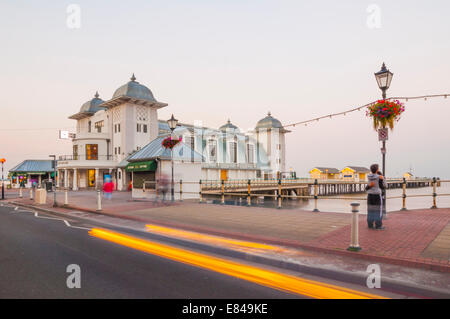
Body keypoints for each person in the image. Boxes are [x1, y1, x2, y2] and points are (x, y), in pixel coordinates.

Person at [366, 164, 386, 230]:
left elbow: (367, 187)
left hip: (370, 195)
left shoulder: (368, 176)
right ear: (377, 169)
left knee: (370, 210)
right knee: (378, 210)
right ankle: (378, 226)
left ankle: (370, 225)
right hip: (377, 195)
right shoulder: (379, 177)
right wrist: (383, 179)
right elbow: (383, 186)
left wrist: (371, 186)